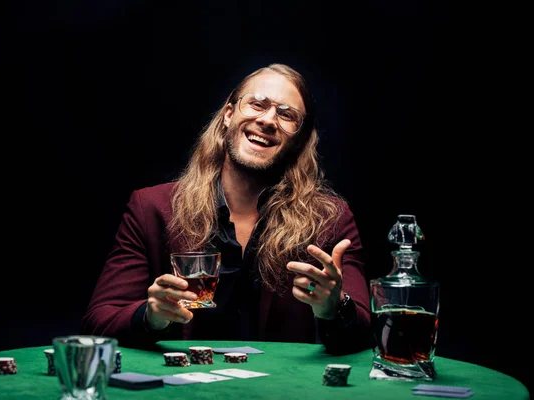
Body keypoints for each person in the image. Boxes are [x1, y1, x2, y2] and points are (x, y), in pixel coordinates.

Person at [81, 63, 372, 355]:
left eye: (286, 115)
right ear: (229, 115)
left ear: (299, 140)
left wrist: (336, 307)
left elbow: (365, 333)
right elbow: (98, 322)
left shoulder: (331, 219)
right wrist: (150, 315)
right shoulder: (152, 208)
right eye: (257, 104)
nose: (269, 120)